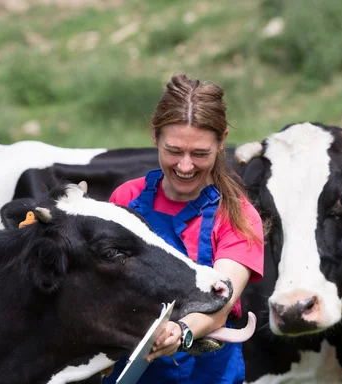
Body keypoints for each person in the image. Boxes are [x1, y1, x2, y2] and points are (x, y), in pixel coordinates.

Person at [102, 73, 264, 383]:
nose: (185, 166)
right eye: (174, 151)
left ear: (222, 142)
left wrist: (182, 330)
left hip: (207, 376)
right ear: (155, 137)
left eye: (200, 153)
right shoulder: (125, 199)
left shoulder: (237, 215)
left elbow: (222, 301)